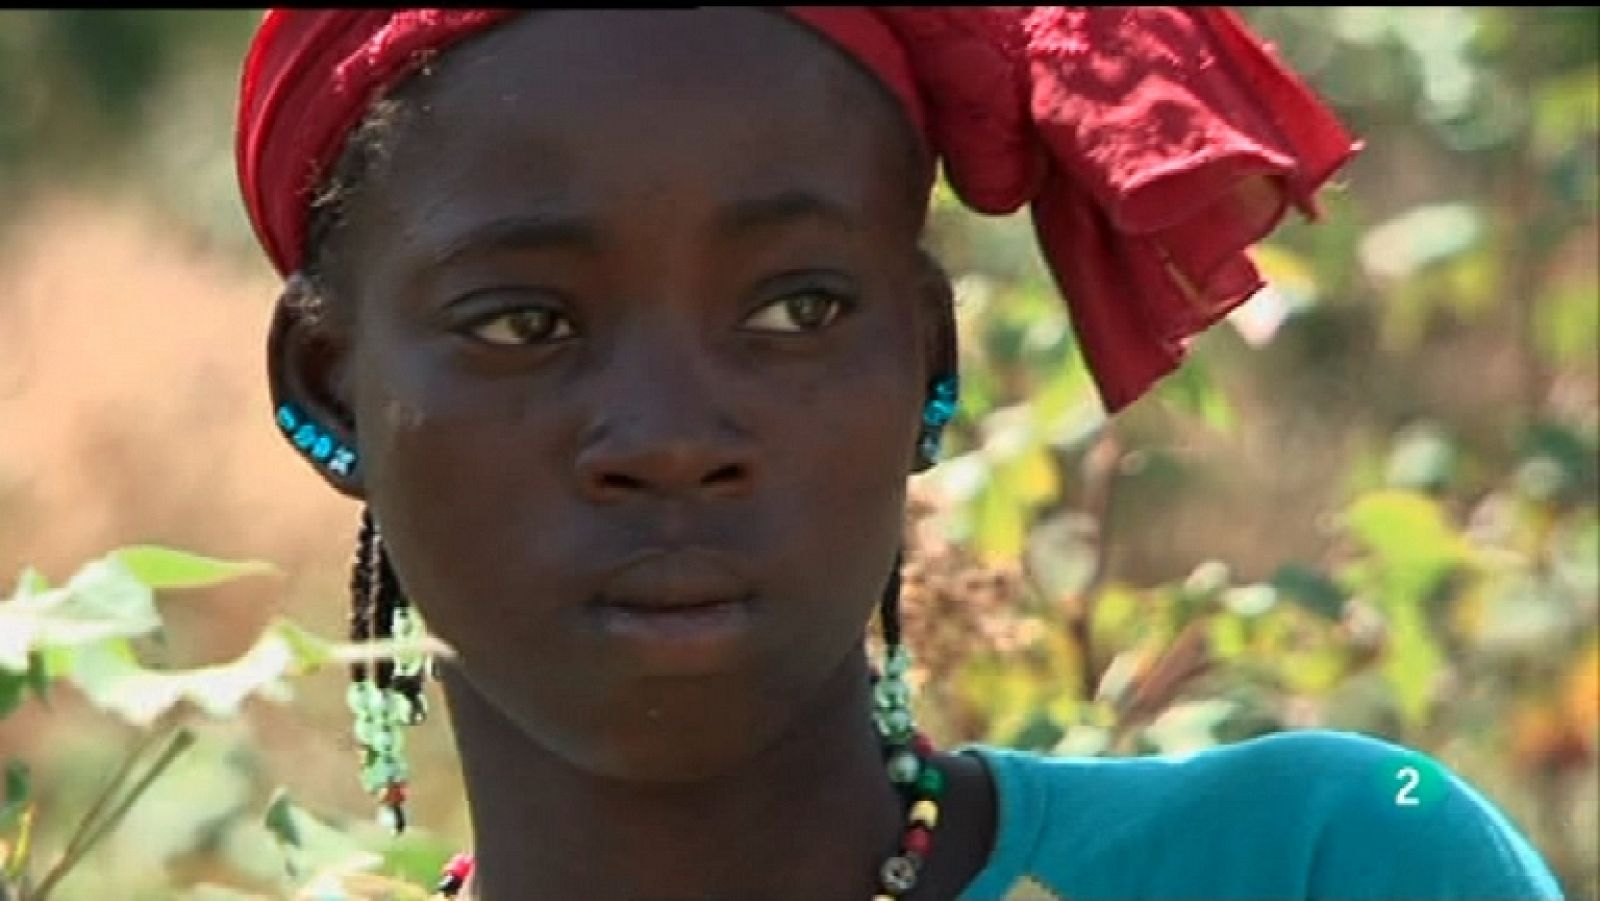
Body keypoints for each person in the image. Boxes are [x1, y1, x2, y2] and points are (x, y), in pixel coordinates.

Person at [234, 8, 1564, 901]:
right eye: (525, 323)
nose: (673, 440)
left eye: (796, 309)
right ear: (331, 390)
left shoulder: (1323, 864)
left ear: (929, 362)